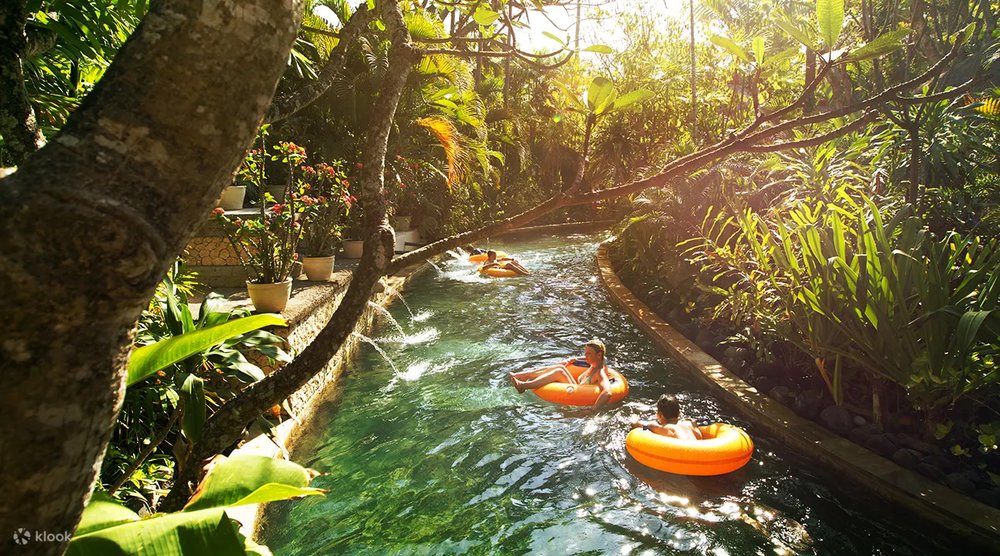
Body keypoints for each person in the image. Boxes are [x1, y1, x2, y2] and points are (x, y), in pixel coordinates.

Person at [509, 339, 612, 409]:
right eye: (585, 353)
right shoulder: (595, 363)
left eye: (588, 354)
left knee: (560, 372)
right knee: (560, 367)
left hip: (576, 396)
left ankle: (523, 386)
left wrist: (593, 410)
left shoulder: (600, 372)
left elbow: (607, 392)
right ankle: (525, 375)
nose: (585, 356)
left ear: (599, 355)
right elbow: (600, 357)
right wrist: (574, 359)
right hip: (578, 387)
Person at [630, 394, 703, 440]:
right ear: (679, 413)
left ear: (660, 415)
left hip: (685, 458)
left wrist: (634, 418)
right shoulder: (689, 424)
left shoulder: (664, 428)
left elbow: (637, 424)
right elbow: (699, 437)